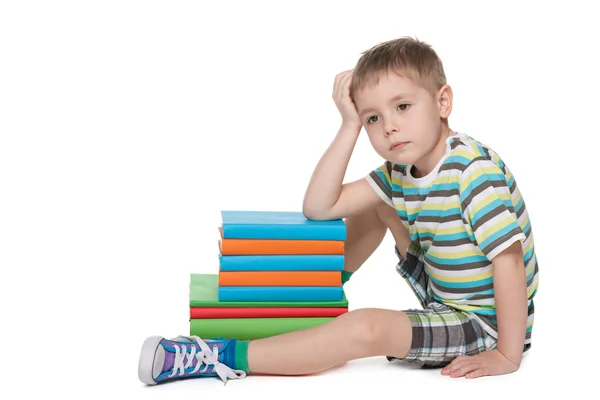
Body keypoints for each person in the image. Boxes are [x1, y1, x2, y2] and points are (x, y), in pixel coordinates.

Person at [137, 36, 539, 385]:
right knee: (376, 204)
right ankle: (312, 305)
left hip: (485, 322)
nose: (389, 128)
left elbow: (509, 262)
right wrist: (348, 124)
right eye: (373, 118)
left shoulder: (473, 171)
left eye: (402, 106)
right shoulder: (399, 170)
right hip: (443, 292)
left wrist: (506, 353)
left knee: (367, 327)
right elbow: (320, 206)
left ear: (443, 102)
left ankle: (218, 357)